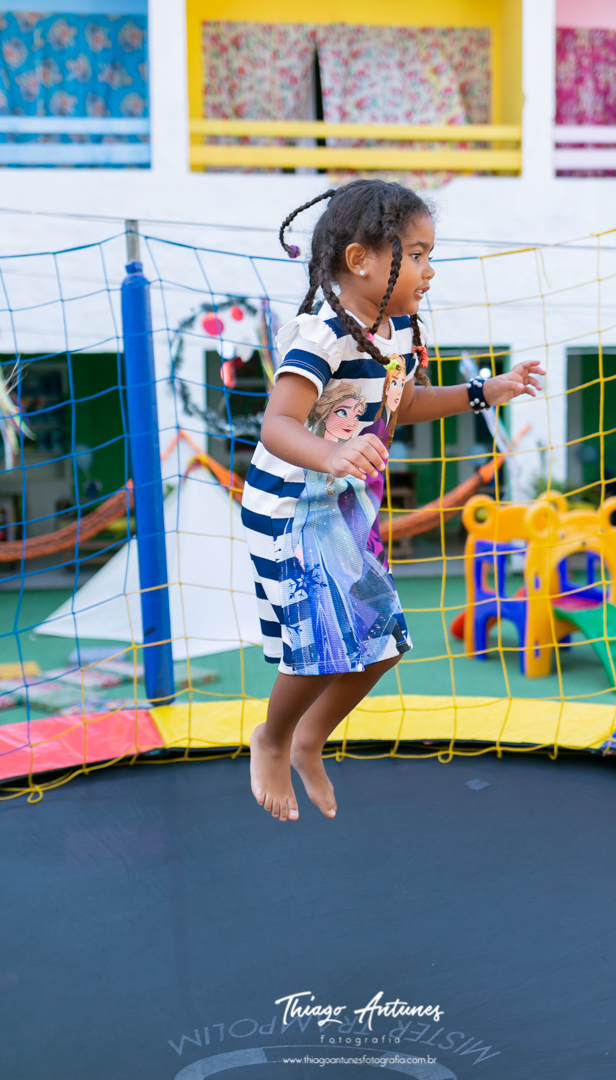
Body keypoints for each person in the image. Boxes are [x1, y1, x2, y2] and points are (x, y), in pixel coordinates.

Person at [241, 179, 544, 822]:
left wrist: (485, 392)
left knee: (384, 641)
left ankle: (308, 738)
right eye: (419, 254)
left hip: (347, 512)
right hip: (289, 508)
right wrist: (330, 454)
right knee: (319, 643)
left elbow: (402, 404)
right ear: (362, 260)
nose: (430, 271)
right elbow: (278, 425)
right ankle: (270, 738)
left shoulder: (398, 331)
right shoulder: (320, 337)